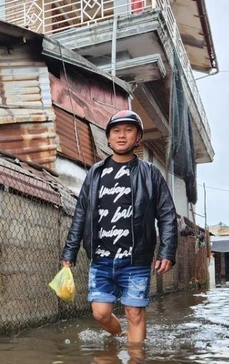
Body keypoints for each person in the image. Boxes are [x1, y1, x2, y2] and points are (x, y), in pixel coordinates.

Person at [61, 109, 177, 344]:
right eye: (116, 131)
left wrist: (167, 251)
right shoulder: (95, 173)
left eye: (128, 130)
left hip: (136, 260)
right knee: (100, 313)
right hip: (101, 259)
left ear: (138, 138)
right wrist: (69, 251)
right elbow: (81, 213)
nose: (121, 135)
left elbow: (166, 214)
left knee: (134, 313)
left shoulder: (151, 174)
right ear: (109, 137)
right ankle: (120, 337)